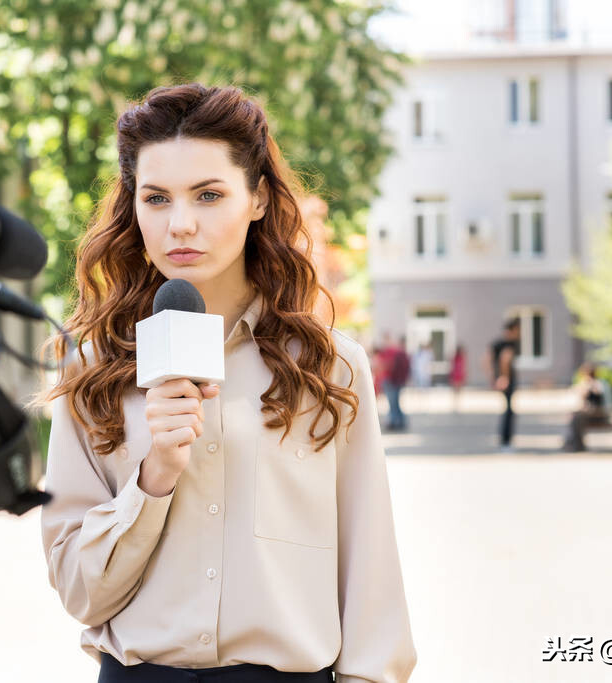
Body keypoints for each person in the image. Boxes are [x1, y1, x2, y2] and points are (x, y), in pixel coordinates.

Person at [35, 84, 416, 683]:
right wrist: (153, 477)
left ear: (258, 198)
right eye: (156, 198)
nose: (180, 224)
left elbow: (371, 577)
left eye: (208, 195)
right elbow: (81, 596)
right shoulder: (93, 366)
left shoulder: (329, 366)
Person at [561, 363, 612, 452]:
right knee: (574, 417)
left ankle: (574, 443)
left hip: (601, 415)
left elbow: (599, 400)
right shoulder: (592, 384)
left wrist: (587, 387)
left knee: (575, 417)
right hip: (594, 414)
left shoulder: (598, 384)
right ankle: (574, 443)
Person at [491, 319, 520, 452]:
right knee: (509, 411)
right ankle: (506, 441)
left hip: (501, 380)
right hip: (507, 381)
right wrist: (504, 377)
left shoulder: (497, 343)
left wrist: (493, 378)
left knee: (507, 410)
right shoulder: (509, 344)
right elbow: (505, 359)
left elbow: (486, 360)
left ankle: (504, 440)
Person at [380, 334, 410, 431]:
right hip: (396, 380)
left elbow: (388, 365)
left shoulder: (391, 351)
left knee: (393, 403)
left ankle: (395, 422)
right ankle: (400, 421)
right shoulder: (396, 351)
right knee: (395, 402)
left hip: (391, 380)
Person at [449, 345, 466, 412]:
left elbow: (463, 367)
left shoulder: (461, 358)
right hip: (456, 376)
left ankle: (457, 403)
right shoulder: (455, 358)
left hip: (458, 376)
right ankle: (456, 404)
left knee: (457, 391)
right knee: (456, 390)